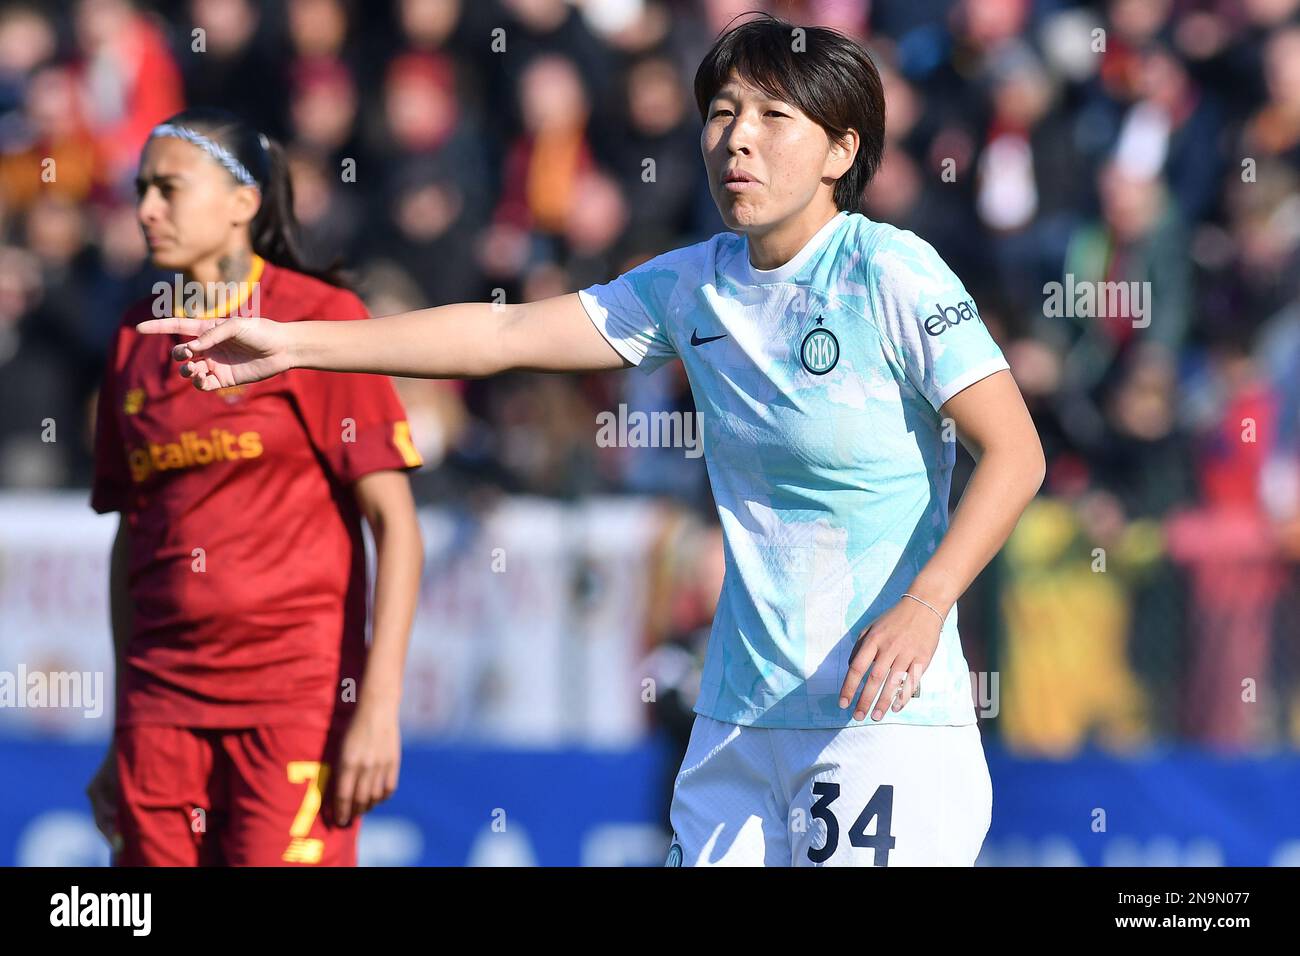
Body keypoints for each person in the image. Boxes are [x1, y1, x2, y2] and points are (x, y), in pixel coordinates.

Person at [139, 16, 1045, 866]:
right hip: (738, 719)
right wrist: (295, 343)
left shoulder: (888, 270)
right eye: (724, 111)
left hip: (877, 719)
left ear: (842, 151)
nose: (738, 137)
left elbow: (1016, 454)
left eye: (775, 116)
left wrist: (926, 606)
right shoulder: (694, 285)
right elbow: (500, 337)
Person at [87, 107, 426, 866]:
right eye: (141, 189)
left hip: (294, 704)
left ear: (243, 201)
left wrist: (376, 708)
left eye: (168, 189)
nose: (145, 209)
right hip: (160, 708)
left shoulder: (320, 322)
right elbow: (129, 536)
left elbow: (396, 525)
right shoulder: (132, 340)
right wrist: (124, 725)